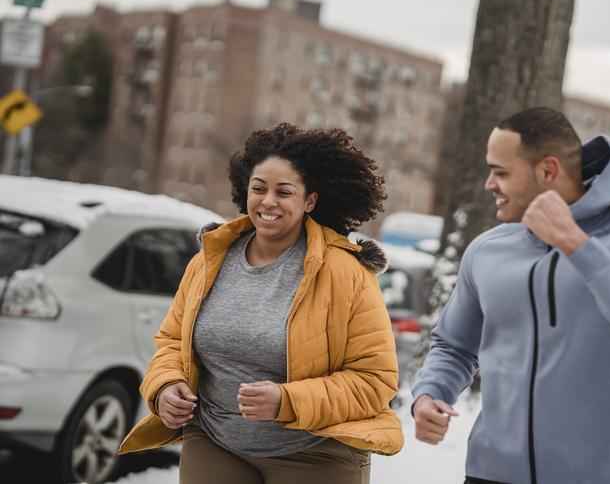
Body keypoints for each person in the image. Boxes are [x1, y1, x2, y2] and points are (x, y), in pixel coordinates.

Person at [412, 107, 610, 484]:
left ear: (547, 171)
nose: (489, 184)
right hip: (489, 475)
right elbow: (453, 345)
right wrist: (430, 393)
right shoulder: (487, 250)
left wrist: (577, 245)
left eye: (501, 172)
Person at [119, 123, 402, 484]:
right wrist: (165, 385)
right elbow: (172, 342)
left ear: (309, 201)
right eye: (259, 189)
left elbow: (374, 380)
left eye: (284, 192)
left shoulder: (345, 272)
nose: (268, 202)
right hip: (215, 443)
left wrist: (288, 401)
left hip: (315, 454)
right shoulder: (210, 260)